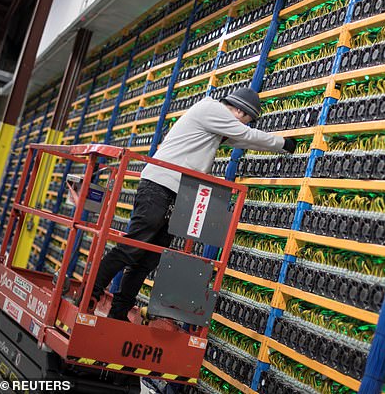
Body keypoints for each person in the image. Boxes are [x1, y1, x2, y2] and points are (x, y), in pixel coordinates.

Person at [90, 88, 296, 321]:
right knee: (133, 247)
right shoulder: (212, 109)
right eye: (248, 120)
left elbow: (244, 139)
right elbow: (246, 135)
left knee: (147, 259)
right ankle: (91, 291)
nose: (247, 125)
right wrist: (284, 143)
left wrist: (279, 146)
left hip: (174, 191)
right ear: (239, 111)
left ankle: (118, 313)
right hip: (159, 185)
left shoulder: (217, 124)